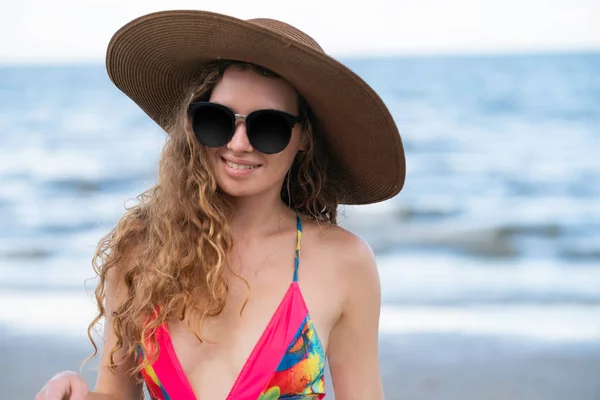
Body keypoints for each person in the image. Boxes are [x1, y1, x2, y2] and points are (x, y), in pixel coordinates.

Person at [35, 9, 405, 400]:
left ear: (303, 139)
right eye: (218, 119)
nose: (239, 143)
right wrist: (72, 392)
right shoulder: (141, 250)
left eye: (268, 127)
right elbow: (116, 395)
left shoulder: (344, 263)